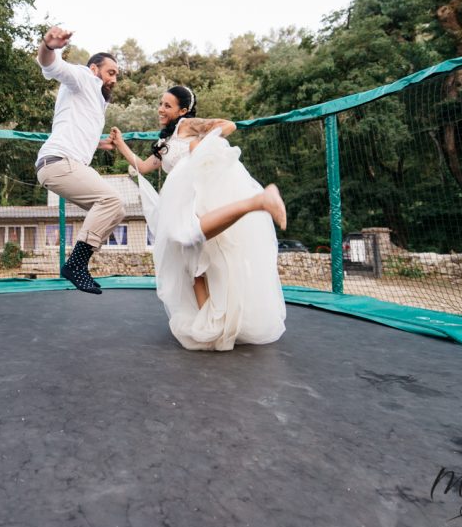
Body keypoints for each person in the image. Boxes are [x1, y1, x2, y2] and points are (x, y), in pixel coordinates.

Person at [110, 85, 287, 350]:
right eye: (161, 104)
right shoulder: (166, 142)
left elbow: (227, 126)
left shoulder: (188, 124)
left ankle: (258, 201)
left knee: (189, 237)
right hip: (177, 198)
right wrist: (120, 143)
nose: (161, 109)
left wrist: (201, 148)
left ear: (182, 110)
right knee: (192, 263)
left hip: (196, 193)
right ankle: (210, 324)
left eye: (167, 105)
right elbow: (144, 167)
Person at [35, 26, 124, 295]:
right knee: (111, 200)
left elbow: (75, 127)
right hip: (58, 162)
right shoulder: (84, 78)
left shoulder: (96, 101)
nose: (115, 80)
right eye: (111, 73)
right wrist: (48, 47)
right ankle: (76, 264)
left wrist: (100, 143)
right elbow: (52, 67)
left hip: (65, 164)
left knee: (116, 209)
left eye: (117, 76)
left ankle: (78, 264)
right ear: (95, 69)